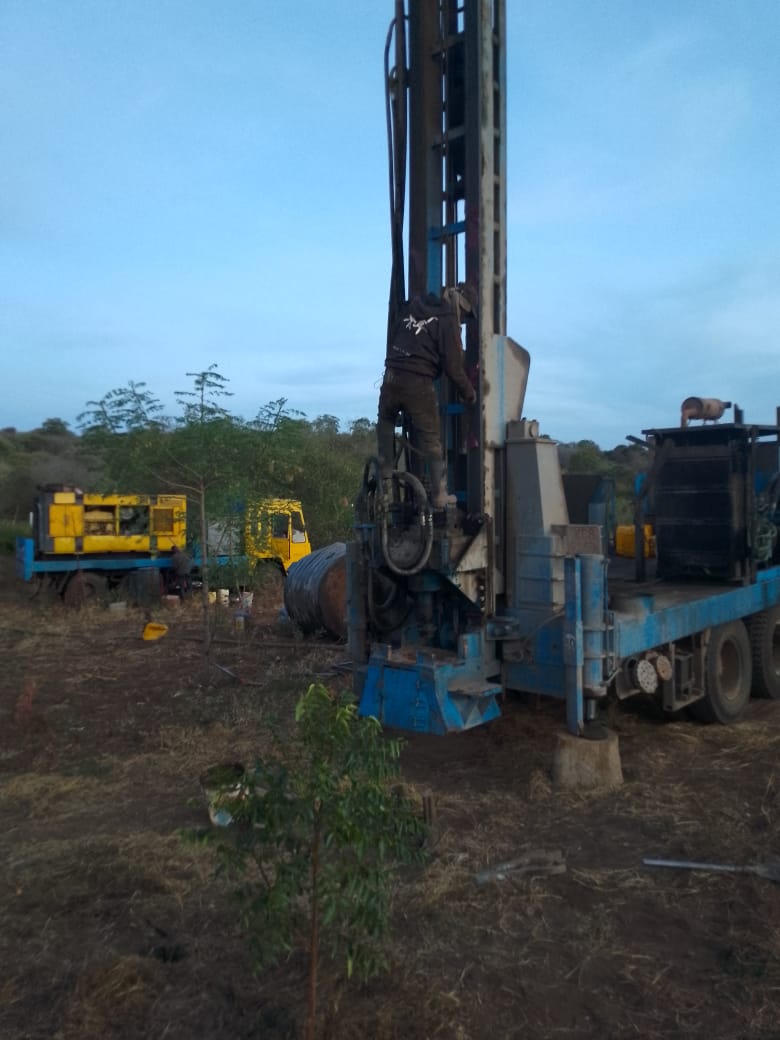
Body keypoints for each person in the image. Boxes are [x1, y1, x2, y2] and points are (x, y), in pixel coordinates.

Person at [377, 284, 477, 507]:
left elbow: (393, 336)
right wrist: (469, 393)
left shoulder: (413, 307)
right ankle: (440, 495)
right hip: (418, 383)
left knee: (385, 422)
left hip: (390, 377)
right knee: (432, 440)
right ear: (460, 305)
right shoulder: (447, 320)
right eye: (465, 316)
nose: (462, 321)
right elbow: (453, 367)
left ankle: (384, 483)